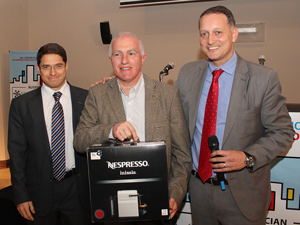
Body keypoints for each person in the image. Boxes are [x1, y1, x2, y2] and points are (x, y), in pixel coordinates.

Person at [175, 5, 295, 225]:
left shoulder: (263, 78)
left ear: (234, 34)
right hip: (199, 191)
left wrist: (247, 157)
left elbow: (283, 132)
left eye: (218, 32)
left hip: (243, 195)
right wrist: (115, 85)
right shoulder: (187, 73)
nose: (210, 40)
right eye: (204, 33)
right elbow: (166, 110)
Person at [73, 32, 192, 222]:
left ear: (143, 58)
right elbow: (79, 141)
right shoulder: (97, 94)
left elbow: (182, 155)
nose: (124, 60)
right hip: (113, 205)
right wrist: (110, 130)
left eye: (131, 53)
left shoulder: (168, 96)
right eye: (118, 54)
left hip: (157, 202)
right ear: (111, 59)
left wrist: (174, 194)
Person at [8, 43, 90, 225]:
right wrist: (20, 195)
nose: (53, 72)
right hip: (38, 194)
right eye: (46, 67)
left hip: (77, 192)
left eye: (58, 66)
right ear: (38, 68)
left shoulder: (86, 99)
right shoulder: (21, 105)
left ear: (66, 65)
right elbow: (17, 154)